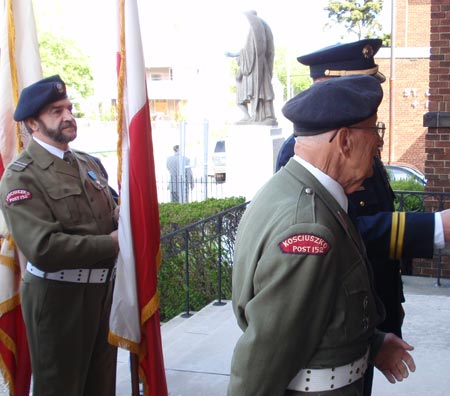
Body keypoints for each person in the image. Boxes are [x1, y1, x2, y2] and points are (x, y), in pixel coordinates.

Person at [275, 39, 450, 395]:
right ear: (327, 87)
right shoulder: (301, 152)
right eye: (360, 89)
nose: (371, 99)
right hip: (336, 325)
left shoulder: (357, 138)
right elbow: (334, 232)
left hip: (369, 310)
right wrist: (434, 228)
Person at [228, 75, 416, 396]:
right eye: (375, 131)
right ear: (345, 141)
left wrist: (373, 343)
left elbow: (317, 312)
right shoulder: (308, 229)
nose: (380, 144)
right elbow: (262, 361)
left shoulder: (293, 190)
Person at [0, 75, 119, 396]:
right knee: (61, 389)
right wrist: (111, 243)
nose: (68, 116)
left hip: (101, 295)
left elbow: (112, 209)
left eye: (69, 108)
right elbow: (43, 248)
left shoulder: (88, 163)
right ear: (32, 123)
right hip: (58, 300)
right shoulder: (21, 176)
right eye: (56, 111)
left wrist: (123, 216)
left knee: (101, 385)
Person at [225, 10, 277, 125]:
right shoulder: (263, 26)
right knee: (263, 91)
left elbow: (249, 50)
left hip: (257, 67)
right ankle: (259, 116)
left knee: (262, 91)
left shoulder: (254, 29)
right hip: (260, 65)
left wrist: (234, 54)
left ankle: (264, 116)